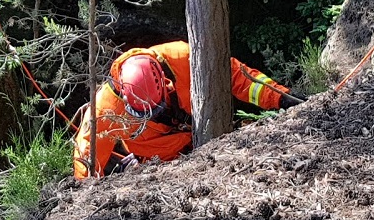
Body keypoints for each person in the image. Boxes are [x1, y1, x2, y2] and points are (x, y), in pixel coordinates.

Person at [71, 40, 304, 179]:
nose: (152, 116)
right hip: (158, 168)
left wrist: (281, 98)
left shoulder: (183, 57)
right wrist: (86, 196)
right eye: (142, 115)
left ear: (164, 81)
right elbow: (86, 156)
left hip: (210, 143)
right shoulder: (105, 108)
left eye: (156, 108)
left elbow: (234, 75)